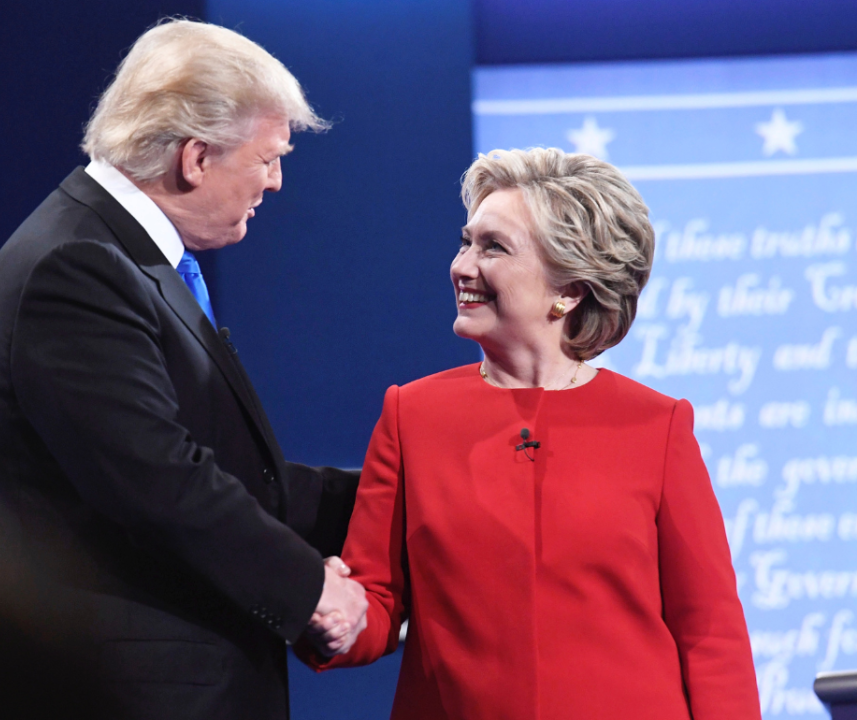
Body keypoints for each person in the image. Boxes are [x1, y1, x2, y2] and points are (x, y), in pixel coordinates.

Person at [0, 19, 367, 720]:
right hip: (122, 692)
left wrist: (401, 497)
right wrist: (309, 588)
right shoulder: (78, 267)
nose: (275, 182)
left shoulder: (123, 257)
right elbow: (157, 480)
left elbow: (228, 473)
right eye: (268, 158)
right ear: (196, 157)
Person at [299, 148, 762, 719]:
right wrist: (328, 613)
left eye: (493, 247)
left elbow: (710, 633)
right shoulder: (410, 414)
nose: (462, 265)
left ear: (569, 288)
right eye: (467, 241)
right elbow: (376, 603)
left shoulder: (657, 425)